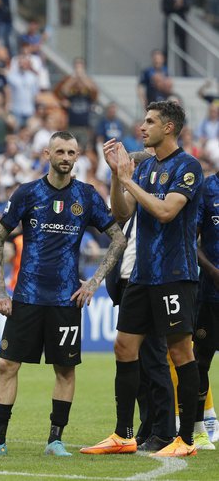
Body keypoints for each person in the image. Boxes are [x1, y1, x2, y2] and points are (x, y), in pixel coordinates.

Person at [0, 131, 126, 457]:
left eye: (72, 152)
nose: (66, 157)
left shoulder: (87, 196)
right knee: (7, 365)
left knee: (64, 370)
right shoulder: (27, 193)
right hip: (26, 297)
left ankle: (55, 440)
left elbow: (118, 238)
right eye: (60, 151)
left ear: (77, 157)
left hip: (66, 299)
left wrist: (93, 282)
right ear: (47, 153)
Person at [81, 100, 204, 457]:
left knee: (180, 352)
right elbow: (122, 214)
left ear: (168, 127)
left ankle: (186, 440)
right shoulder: (146, 167)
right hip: (142, 275)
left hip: (175, 275)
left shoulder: (188, 167)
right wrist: (116, 181)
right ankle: (123, 434)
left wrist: (126, 180)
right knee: (124, 347)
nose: (142, 126)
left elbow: (166, 212)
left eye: (149, 121)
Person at [104, 151, 177, 452]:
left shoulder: (155, 197)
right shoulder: (131, 197)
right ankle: (147, 427)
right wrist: (115, 177)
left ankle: (164, 429)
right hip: (127, 283)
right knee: (138, 362)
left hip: (150, 281)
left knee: (155, 358)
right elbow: (117, 214)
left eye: (130, 169)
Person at [192, 168, 219, 448]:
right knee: (201, 361)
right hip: (210, 295)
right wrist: (212, 272)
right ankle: (199, 429)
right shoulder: (207, 189)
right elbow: (192, 238)